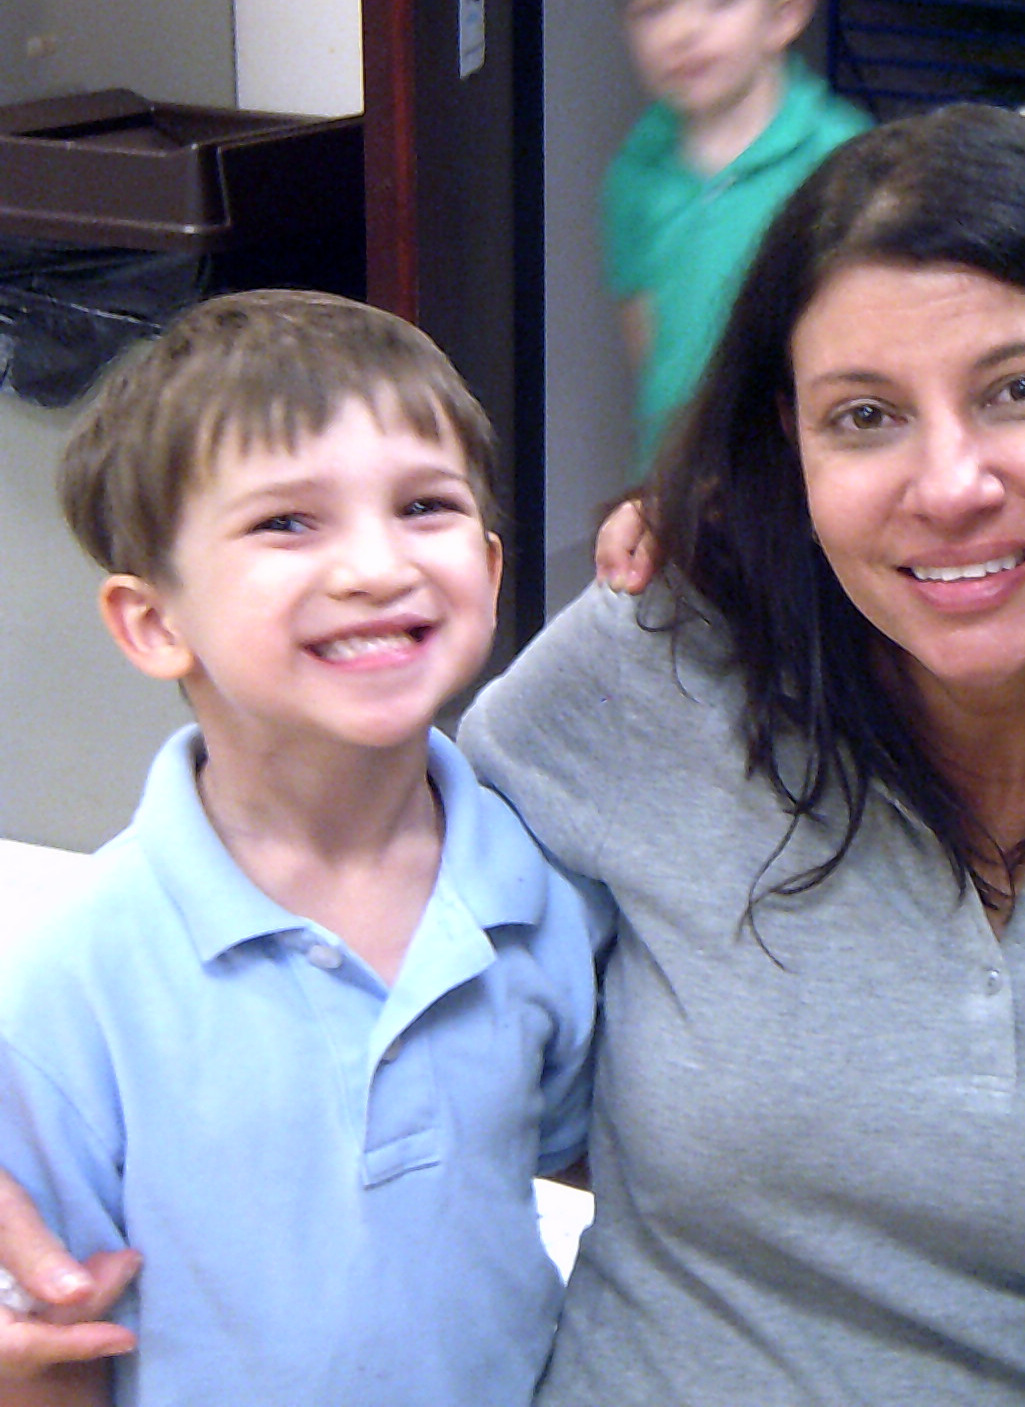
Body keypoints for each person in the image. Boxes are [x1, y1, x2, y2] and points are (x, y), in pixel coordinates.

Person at [467, 105, 1025, 1404]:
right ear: (790, 442)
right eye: (865, 416)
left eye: (1020, 391)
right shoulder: (666, 665)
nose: (949, 485)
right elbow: (355, 912)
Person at [0, 290, 600, 1407]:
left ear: (491, 568)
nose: (375, 567)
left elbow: (572, 1150)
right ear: (154, 622)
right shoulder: (79, 979)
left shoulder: (541, 895)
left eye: (423, 506)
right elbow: (48, 1337)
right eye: (287, 522)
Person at [603, 0, 869, 468]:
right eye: (655, 7)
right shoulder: (634, 174)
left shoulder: (842, 158)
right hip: (683, 473)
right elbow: (650, 352)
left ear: (784, 17)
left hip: (805, 471)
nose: (684, 31)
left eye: (722, 0)